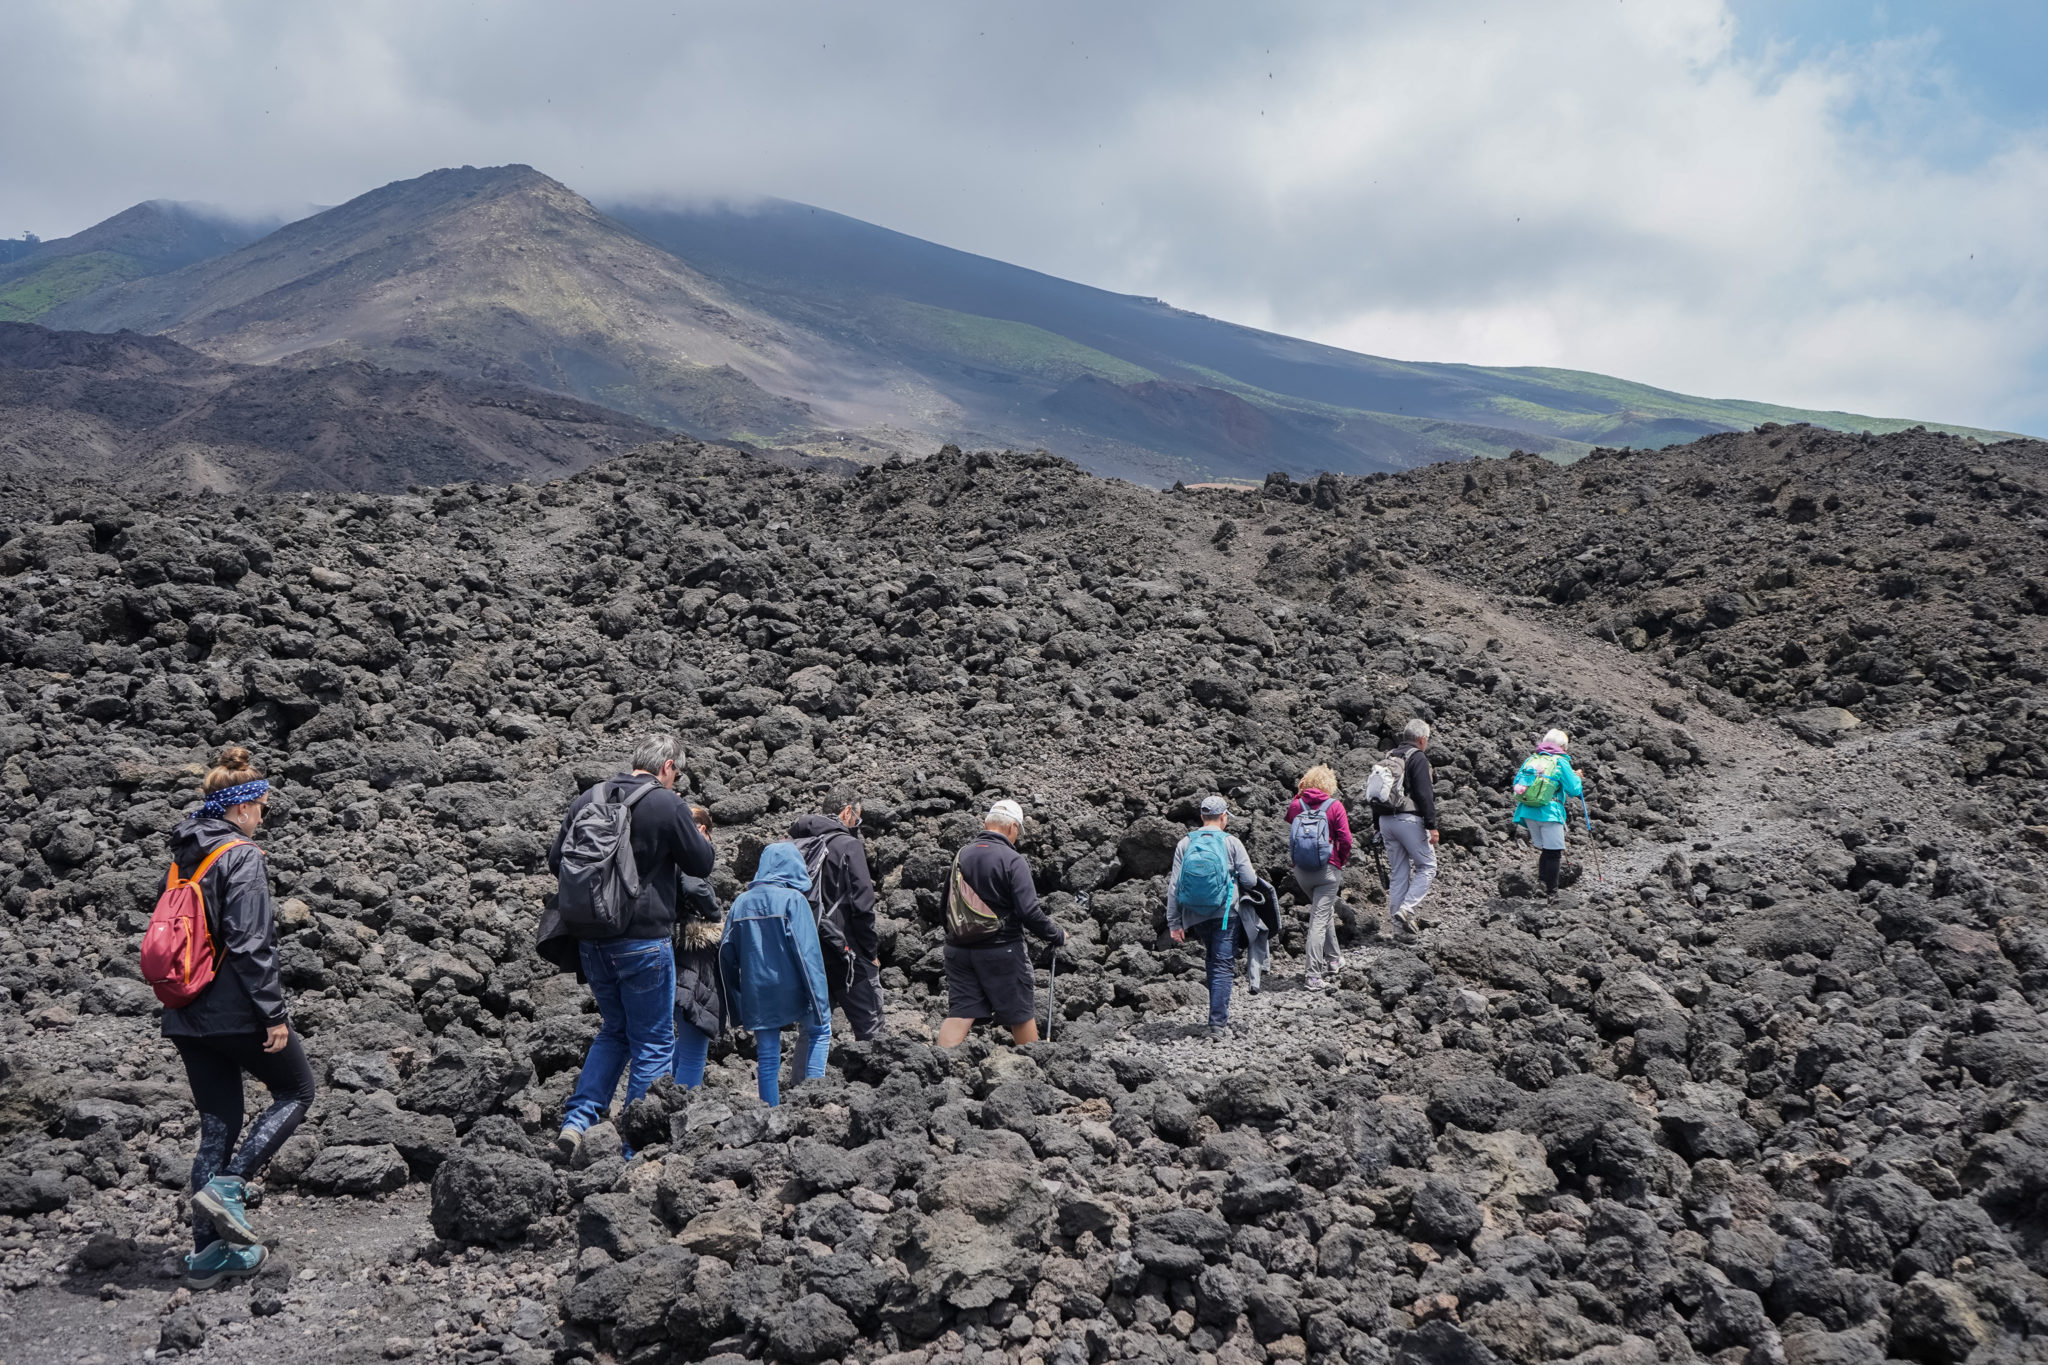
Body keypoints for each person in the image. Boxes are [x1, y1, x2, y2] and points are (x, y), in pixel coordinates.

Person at [161, 747, 314, 1289]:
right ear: (243, 806)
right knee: (297, 1091)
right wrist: (273, 1014)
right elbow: (250, 944)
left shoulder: (186, 853)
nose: (264, 814)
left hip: (184, 1009)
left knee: (217, 1126)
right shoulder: (241, 855)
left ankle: (208, 1257)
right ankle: (232, 1186)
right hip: (235, 1011)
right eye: (262, 805)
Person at [546, 734, 714, 1158]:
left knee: (615, 1031)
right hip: (643, 943)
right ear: (669, 767)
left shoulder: (590, 797)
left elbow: (556, 861)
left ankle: (577, 1123)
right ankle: (634, 1146)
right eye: (677, 773)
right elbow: (701, 864)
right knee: (654, 1042)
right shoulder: (666, 803)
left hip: (591, 940)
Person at [937, 800, 1067, 1047]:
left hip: (958, 951)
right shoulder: (1012, 860)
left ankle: (937, 1069)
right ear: (1013, 829)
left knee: (961, 1013)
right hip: (1002, 950)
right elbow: (1029, 912)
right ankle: (1031, 1070)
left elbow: (943, 906)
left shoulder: (962, 854)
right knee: (1020, 1014)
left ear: (986, 823)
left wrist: (960, 937)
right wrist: (1056, 934)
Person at [719, 842, 830, 1105]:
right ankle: (813, 1103)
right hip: (794, 987)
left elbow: (726, 953)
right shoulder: (794, 900)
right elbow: (808, 956)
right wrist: (820, 1001)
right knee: (820, 1031)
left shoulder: (740, 903)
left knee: (768, 1056)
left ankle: (770, 1112)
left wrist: (736, 1001)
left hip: (757, 990)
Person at [788, 797, 884, 1040]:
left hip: (805, 945)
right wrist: (870, 952)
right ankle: (875, 1075)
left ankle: (805, 1079)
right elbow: (862, 905)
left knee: (813, 1030)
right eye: (858, 819)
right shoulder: (848, 845)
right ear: (847, 811)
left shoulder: (797, 843)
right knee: (870, 1021)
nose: (857, 825)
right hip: (845, 948)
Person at [1166, 795, 1258, 1039]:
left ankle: (1216, 1015)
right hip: (1225, 912)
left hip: (1195, 915)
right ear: (1224, 817)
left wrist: (1174, 923)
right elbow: (1250, 880)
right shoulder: (1231, 842)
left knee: (1212, 959)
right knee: (1222, 964)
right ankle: (1217, 1023)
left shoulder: (1185, 843)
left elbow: (1174, 886)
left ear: (1201, 817)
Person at [672, 805, 726, 1088]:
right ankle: (680, 1116)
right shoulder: (689, 850)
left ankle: (661, 1105)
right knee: (695, 1043)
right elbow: (694, 886)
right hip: (691, 951)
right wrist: (715, 914)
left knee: (679, 1038)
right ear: (703, 830)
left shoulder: (664, 848)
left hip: (664, 944)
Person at [1285, 765, 1352, 990]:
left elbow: (1292, 824)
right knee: (1318, 920)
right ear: (1329, 785)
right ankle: (1313, 975)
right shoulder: (1335, 806)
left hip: (1302, 871)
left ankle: (1333, 959)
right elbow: (1346, 840)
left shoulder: (1297, 804)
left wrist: (1300, 791)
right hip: (1327, 871)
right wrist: (1339, 862)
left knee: (1322, 912)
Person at [1377, 718, 1441, 935]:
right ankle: (1407, 909)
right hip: (1408, 819)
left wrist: (1376, 826)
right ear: (1422, 739)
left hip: (1385, 820)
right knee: (1427, 866)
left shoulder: (1390, 756)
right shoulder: (1418, 758)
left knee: (1399, 873)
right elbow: (1425, 794)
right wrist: (1432, 825)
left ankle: (1398, 931)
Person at [1512, 729, 1585, 896]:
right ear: (1562, 746)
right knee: (1554, 852)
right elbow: (1574, 789)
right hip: (1549, 812)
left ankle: (1541, 886)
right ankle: (1552, 894)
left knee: (1547, 850)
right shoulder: (1560, 761)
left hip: (1528, 811)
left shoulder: (1532, 759)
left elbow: (1518, 782)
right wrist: (1578, 778)